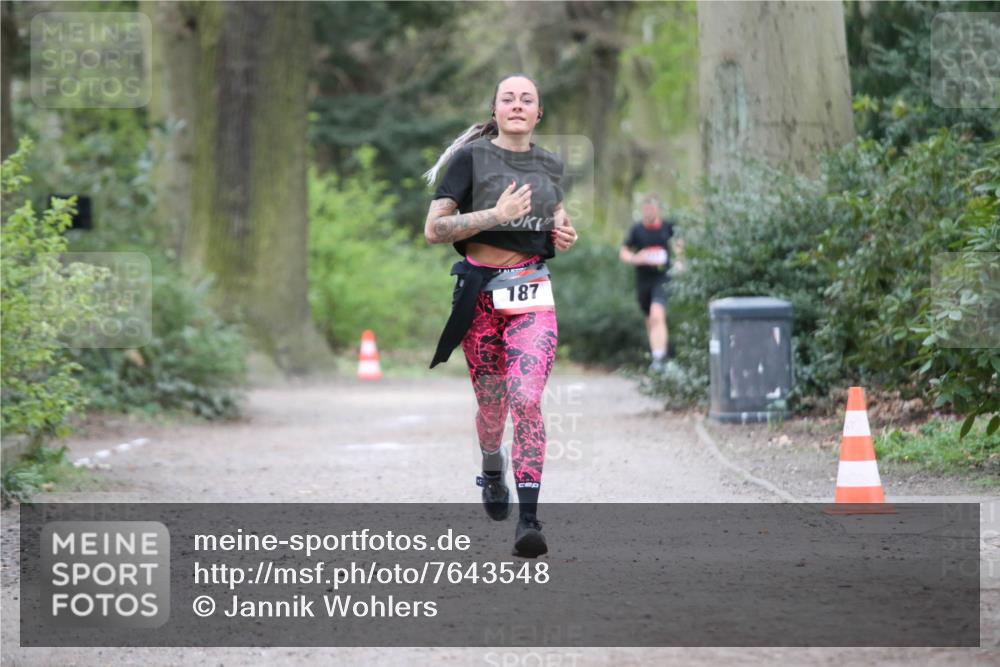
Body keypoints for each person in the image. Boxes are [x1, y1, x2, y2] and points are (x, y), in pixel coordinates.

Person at [423, 73, 578, 558]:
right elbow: (435, 229)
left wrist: (563, 236)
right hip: (480, 301)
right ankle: (493, 469)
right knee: (492, 411)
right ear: (495, 110)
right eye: (507, 98)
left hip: (532, 294)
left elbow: (556, 224)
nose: (516, 104)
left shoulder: (550, 165)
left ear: (538, 113)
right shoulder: (469, 159)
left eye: (526, 99)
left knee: (527, 399)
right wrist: (496, 214)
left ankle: (528, 521)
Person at [619, 195, 683, 372]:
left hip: (662, 277)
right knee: (650, 319)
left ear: (658, 209)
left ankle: (659, 359)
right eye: (645, 208)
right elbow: (624, 252)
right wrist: (635, 258)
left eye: (652, 208)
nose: (648, 211)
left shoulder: (668, 227)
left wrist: (679, 261)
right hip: (643, 280)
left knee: (657, 315)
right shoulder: (637, 230)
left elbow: (679, 244)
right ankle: (659, 354)